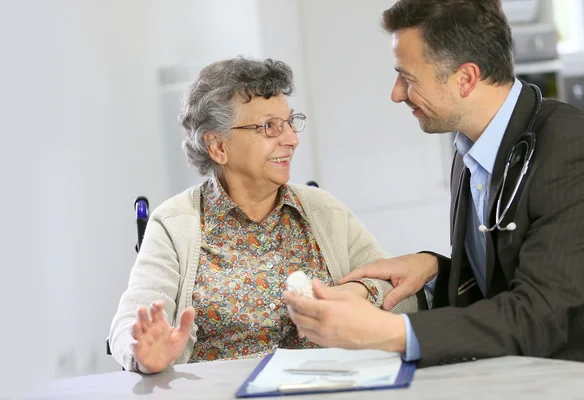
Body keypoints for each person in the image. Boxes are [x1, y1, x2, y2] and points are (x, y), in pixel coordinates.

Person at [285, 0, 584, 367]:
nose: (397, 93)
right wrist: (436, 269)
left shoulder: (574, 150)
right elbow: (506, 280)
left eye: (409, 78)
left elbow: (538, 314)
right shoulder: (470, 148)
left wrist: (386, 331)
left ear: (465, 78)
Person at [108, 56, 418, 373]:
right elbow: (129, 323)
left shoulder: (323, 211)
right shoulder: (175, 223)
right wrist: (142, 352)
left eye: (290, 122)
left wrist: (362, 291)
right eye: (270, 127)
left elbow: (406, 297)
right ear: (217, 147)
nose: (292, 139)